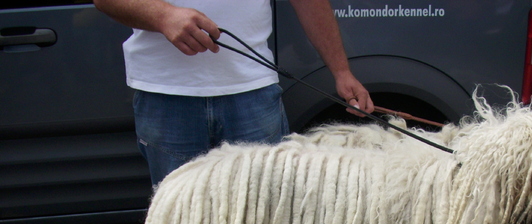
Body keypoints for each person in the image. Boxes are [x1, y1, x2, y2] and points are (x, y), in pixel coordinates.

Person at [93, 0, 374, 185]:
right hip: (167, 94)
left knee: (266, 221)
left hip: (251, 92)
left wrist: (341, 71)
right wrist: (164, 16)